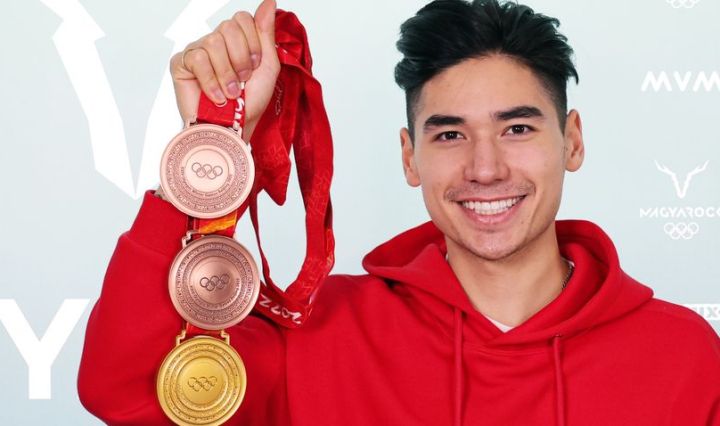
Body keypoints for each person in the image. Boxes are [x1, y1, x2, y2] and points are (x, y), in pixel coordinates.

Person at [77, 0, 720, 425]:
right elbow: (127, 389)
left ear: (572, 141)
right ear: (410, 158)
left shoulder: (683, 354)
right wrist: (213, 146)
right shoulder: (317, 332)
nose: (485, 167)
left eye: (518, 129)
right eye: (450, 134)